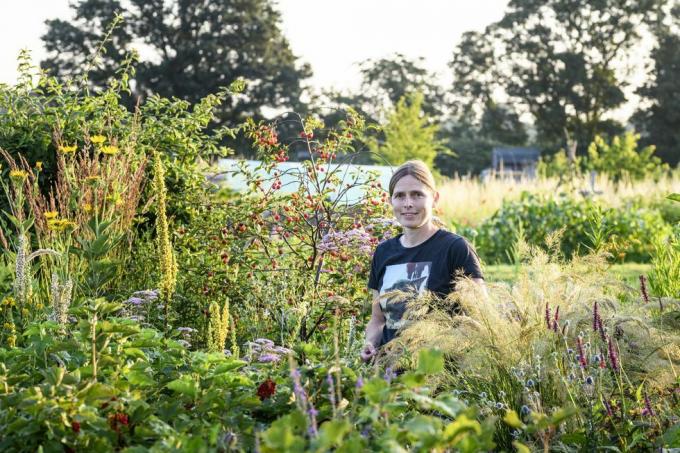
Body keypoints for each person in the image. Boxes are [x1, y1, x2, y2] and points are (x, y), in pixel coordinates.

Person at [361, 160, 485, 362]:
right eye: (400, 196)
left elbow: (480, 316)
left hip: (439, 380)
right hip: (389, 378)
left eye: (417, 194)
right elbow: (378, 320)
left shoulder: (454, 248)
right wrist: (370, 344)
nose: (408, 203)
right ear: (390, 201)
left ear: (434, 199)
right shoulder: (383, 252)